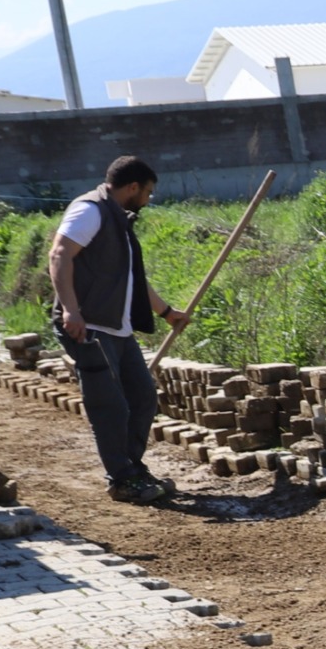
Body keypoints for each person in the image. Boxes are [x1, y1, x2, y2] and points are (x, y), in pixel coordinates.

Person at [49, 154, 186, 504]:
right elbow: (60, 254)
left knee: (142, 398)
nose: (149, 200)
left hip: (116, 327)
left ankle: (132, 468)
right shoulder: (90, 210)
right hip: (88, 327)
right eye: (148, 192)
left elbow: (131, 280)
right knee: (109, 405)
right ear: (133, 187)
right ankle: (121, 479)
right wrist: (70, 310)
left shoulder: (119, 220)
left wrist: (167, 312)